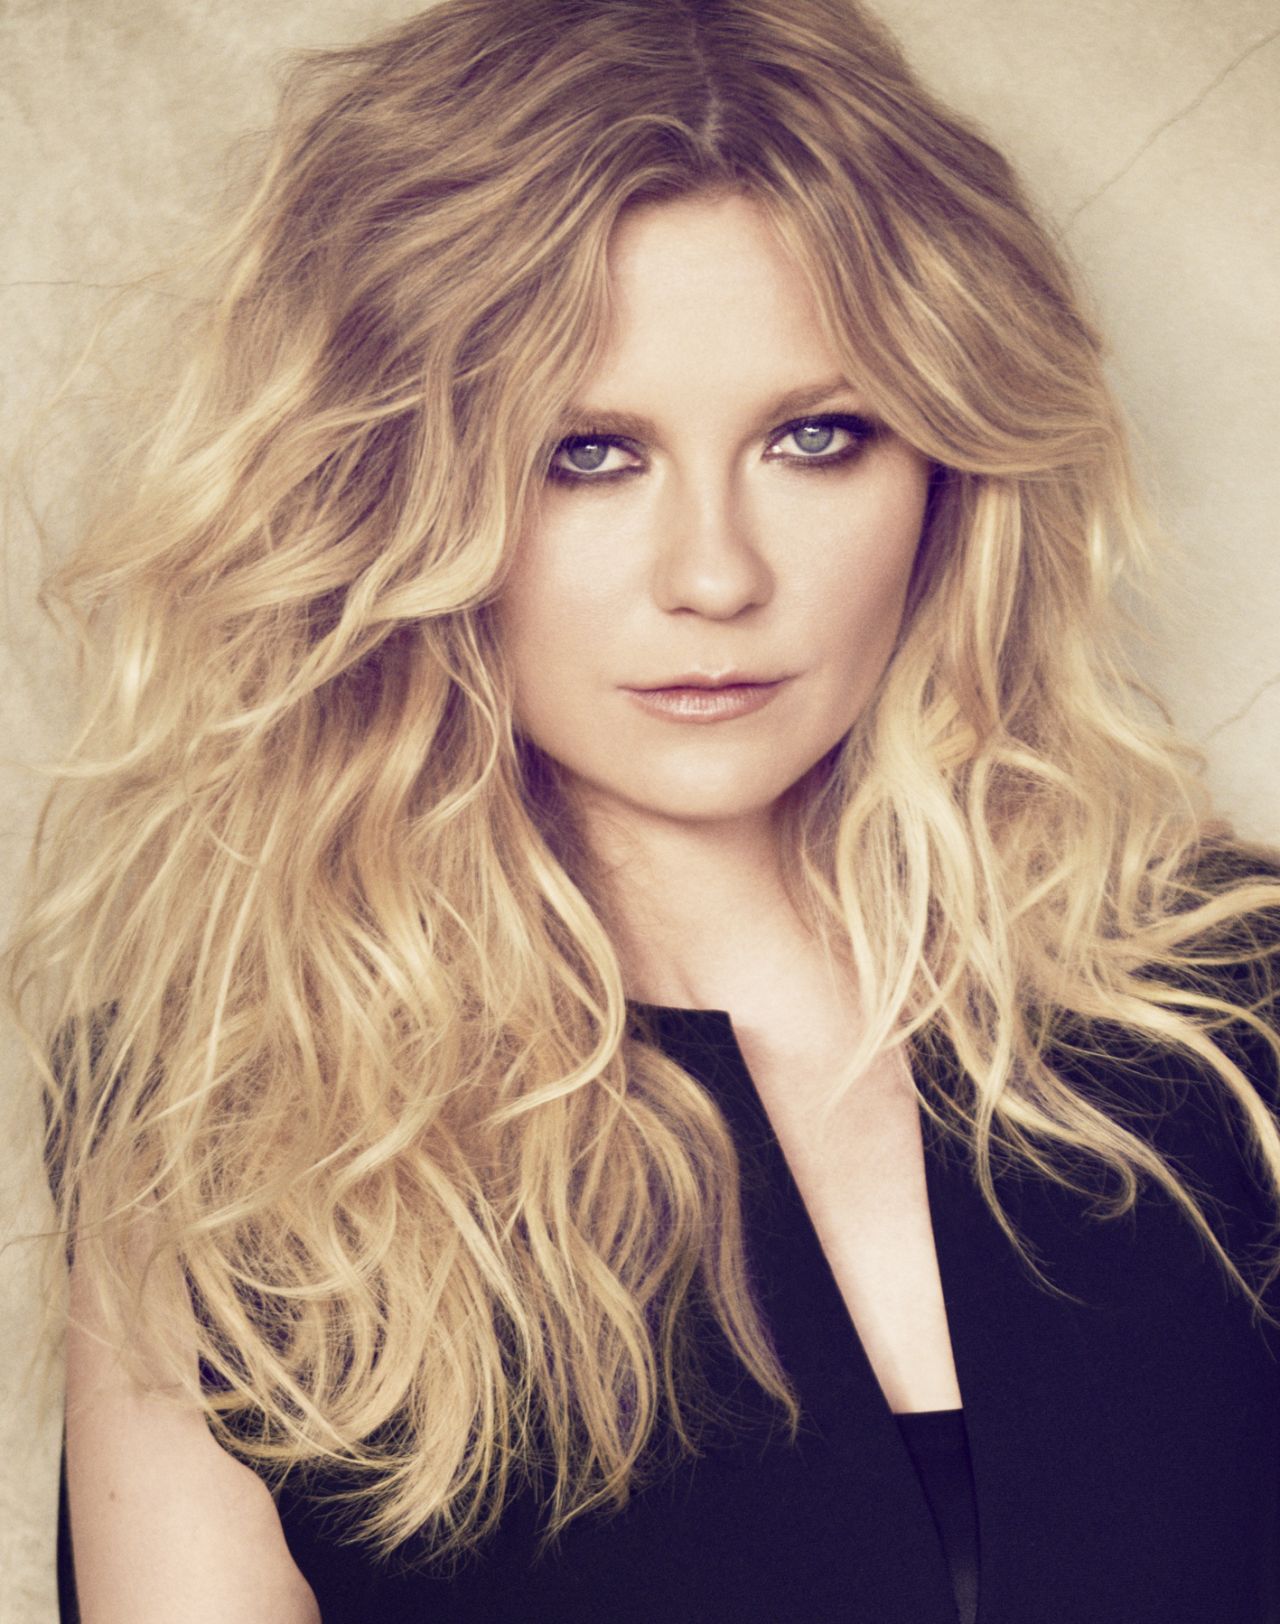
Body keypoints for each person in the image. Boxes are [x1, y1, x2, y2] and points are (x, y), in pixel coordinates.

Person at [6, 0, 1279, 1619]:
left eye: (817, 438)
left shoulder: (1231, 1014)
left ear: (950, 470)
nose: (716, 576)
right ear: (389, 489)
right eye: (585, 453)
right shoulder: (235, 1144)